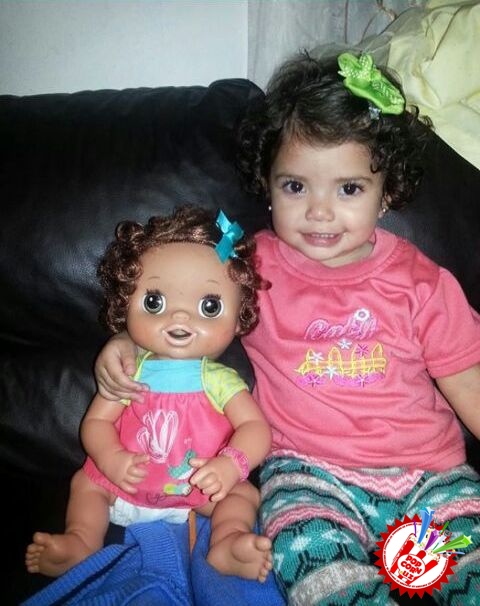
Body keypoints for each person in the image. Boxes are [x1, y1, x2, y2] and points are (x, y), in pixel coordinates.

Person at [91, 52, 480, 605]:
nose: (319, 212)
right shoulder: (247, 268)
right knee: (320, 572)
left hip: (430, 474)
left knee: (467, 568)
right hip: (308, 476)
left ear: (387, 192)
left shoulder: (422, 283)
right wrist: (126, 341)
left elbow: (468, 384)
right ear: (268, 184)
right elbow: (177, 306)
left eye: (348, 189)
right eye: (296, 186)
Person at [25, 205, 273, 583]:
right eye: (155, 302)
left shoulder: (220, 380)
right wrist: (110, 458)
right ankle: (81, 542)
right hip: (124, 484)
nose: (180, 317)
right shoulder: (129, 370)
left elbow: (255, 428)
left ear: (239, 317)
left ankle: (227, 543)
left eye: (209, 306)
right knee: (86, 484)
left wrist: (230, 465)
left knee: (243, 497)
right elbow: (96, 422)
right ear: (126, 304)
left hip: (197, 489)